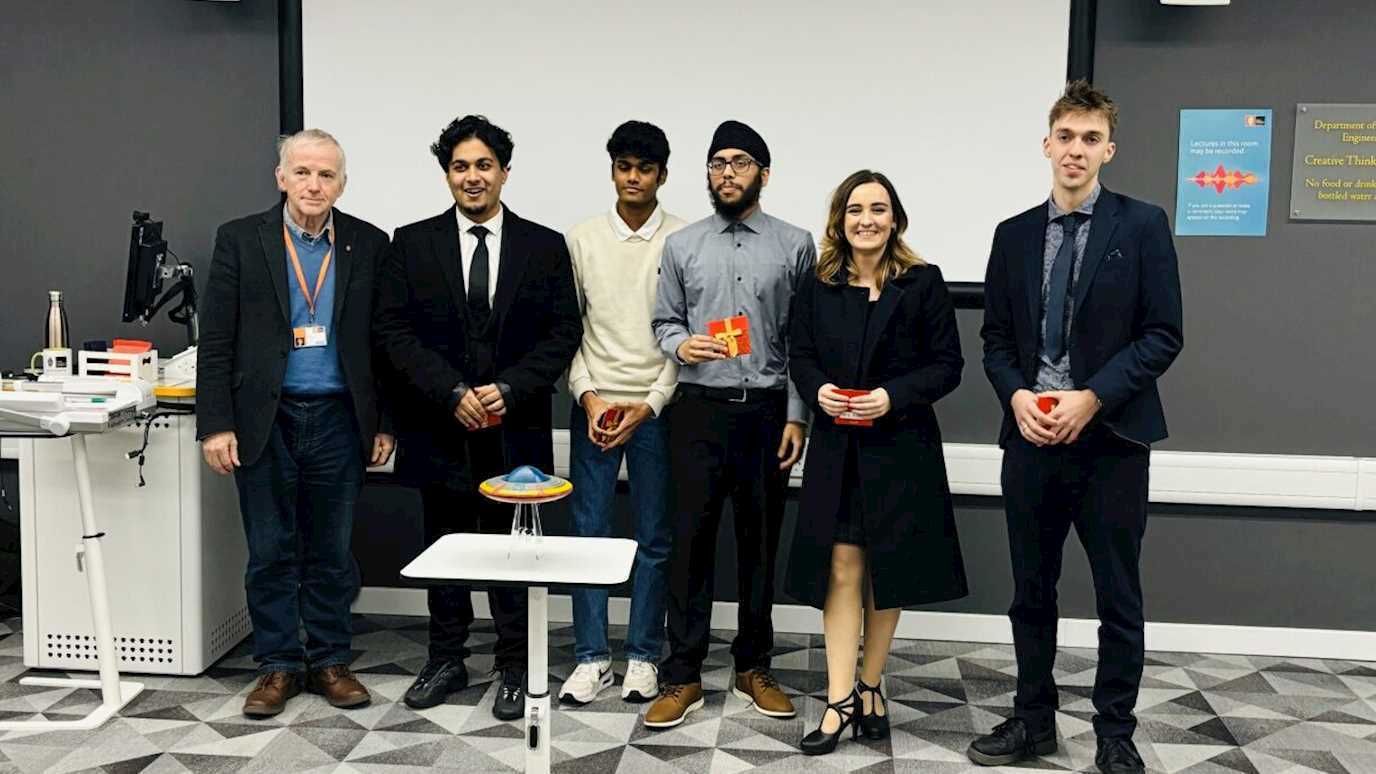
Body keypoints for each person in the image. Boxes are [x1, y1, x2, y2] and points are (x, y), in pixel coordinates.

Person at [969, 80, 1183, 774]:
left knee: (1118, 597)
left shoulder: (1142, 225)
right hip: (1031, 440)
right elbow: (996, 340)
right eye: (1066, 136)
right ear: (1046, 144)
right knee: (1031, 593)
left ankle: (1114, 733)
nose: (1076, 150)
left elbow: (1162, 334)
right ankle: (1033, 720)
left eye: (1091, 139)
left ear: (1108, 151)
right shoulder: (1012, 235)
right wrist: (1015, 397)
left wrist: (1093, 397)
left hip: (1111, 443)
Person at [373, 114, 582, 721]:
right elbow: (393, 331)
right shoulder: (411, 243)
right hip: (440, 426)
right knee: (447, 547)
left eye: (484, 165)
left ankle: (515, 664)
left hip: (516, 428)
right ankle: (446, 658)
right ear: (447, 174)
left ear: (504, 172)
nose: (472, 177)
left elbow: (563, 332)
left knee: (515, 550)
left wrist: (511, 388)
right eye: (460, 166)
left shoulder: (544, 245)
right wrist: (450, 391)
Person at [197, 129, 394, 717]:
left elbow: (382, 344)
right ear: (281, 177)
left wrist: (383, 423)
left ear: (342, 184)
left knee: (332, 551)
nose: (314, 184)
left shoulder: (368, 243)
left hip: (339, 420)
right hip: (266, 419)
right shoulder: (240, 239)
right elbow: (218, 339)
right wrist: (216, 424)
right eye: (302, 172)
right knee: (270, 551)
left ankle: (331, 661)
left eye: (326, 174)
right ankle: (277, 666)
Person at [787, 170, 968, 754]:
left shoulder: (923, 281)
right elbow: (800, 355)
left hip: (902, 446)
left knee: (887, 571)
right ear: (839, 220)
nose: (867, 219)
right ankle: (840, 700)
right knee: (842, 567)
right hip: (837, 447)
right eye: (855, 209)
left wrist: (892, 396)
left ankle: (871, 686)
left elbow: (948, 365)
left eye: (878, 209)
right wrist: (818, 391)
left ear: (895, 219)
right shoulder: (817, 284)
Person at [646, 120, 814, 729]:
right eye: (718, 163)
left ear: (763, 174)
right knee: (689, 544)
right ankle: (683, 674)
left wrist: (797, 416)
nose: (727, 173)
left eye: (740, 163)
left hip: (766, 413)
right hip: (698, 410)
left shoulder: (795, 245)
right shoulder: (683, 245)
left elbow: (803, 341)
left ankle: (753, 667)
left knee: (759, 545)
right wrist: (681, 344)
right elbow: (663, 322)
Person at [558, 121, 686, 706]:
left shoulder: (683, 240)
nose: (633, 178)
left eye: (645, 168)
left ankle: (642, 656)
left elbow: (686, 336)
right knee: (588, 534)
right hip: (597, 406)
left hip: (657, 407)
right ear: (612, 170)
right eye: (624, 167)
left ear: (662, 174)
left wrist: (652, 402)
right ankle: (591, 658)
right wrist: (588, 396)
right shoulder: (581, 239)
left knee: (655, 537)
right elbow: (569, 330)